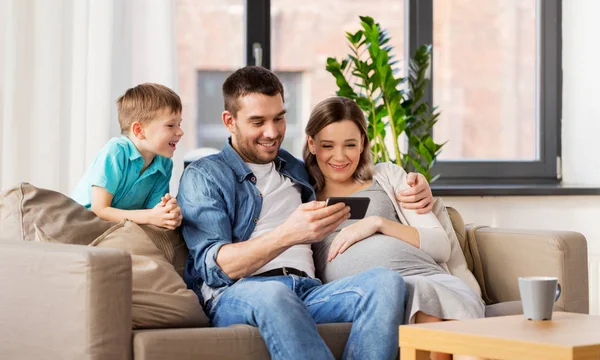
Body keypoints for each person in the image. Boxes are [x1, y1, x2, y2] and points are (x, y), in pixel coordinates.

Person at [177, 66, 433, 360]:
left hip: (309, 291)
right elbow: (215, 268)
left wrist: (413, 183)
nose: (272, 133)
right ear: (229, 121)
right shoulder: (205, 176)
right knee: (274, 294)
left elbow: (349, 172)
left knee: (385, 283)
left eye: (279, 118)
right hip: (242, 293)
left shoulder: (296, 168)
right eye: (257, 121)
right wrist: (288, 234)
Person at [304, 96, 485, 360]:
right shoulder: (298, 190)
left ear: (363, 143)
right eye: (327, 145)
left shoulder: (386, 176)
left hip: (429, 276)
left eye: (350, 145)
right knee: (427, 311)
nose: (339, 156)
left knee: (435, 309)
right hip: (375, 293)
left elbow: (440, 247)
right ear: (311, 143)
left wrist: (376, 224)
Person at [72, 83, 184, 230]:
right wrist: (151, 216)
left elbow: (153, 213)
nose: (180, 132)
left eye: (179, 124)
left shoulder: (164, 164)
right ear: (139, 130)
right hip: (82, 222)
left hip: (120, 227)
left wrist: (167, 213)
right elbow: (99, 210)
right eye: (170, 125)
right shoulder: (116, 151)